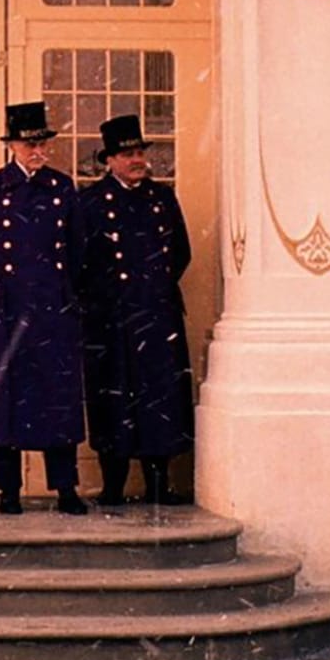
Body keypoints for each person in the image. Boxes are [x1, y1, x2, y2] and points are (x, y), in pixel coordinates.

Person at [0, 101, 89, 516]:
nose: (37, 150)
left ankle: (65, 488)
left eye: (42, 143)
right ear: (11, 145)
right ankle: (10, 489)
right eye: (28, 143)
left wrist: (67, 295)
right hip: (5, 310)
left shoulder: (61, 188)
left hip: (52, 310)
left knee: (57, 400)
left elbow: (78, 250)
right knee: (5, 403)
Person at [79, 114, 195, 506]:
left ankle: (158, 484)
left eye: (140, 152)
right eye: (127, 154)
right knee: (112, 399)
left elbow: (181, 252)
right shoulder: (91, 202)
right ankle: (113, 485)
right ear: (109, 160)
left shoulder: (162, 198)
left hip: (157, 315)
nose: (137, 160)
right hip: (110, 319)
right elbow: (81, 262)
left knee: (158, 398)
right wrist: (105, 299)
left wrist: (152, 290)